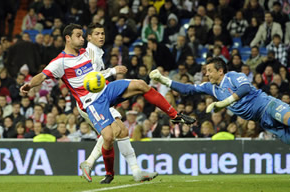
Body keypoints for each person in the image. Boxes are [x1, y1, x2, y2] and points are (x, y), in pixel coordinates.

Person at [20, 24, 194, 184]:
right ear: (68, 38)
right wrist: (29, 85)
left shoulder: (86, 53)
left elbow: (95, 74)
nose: (82, 39)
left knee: (141, 85)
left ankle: (174, 116)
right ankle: (109, 171)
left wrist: (109, 70)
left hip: (105, 90)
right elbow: (42, 76)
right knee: (110, 136)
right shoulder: (61, 61)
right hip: (91, 102)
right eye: (79, 36)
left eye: (83, 36)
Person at [150, 58, 290, 151]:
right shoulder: (210, 87)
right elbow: (188, 89)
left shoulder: (233, 76)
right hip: (263, 121)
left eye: (209, 70)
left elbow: (244, 90)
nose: (206, 73)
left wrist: (223, 103)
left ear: (220, 70)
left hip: (266, 104)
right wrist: (162, 80)